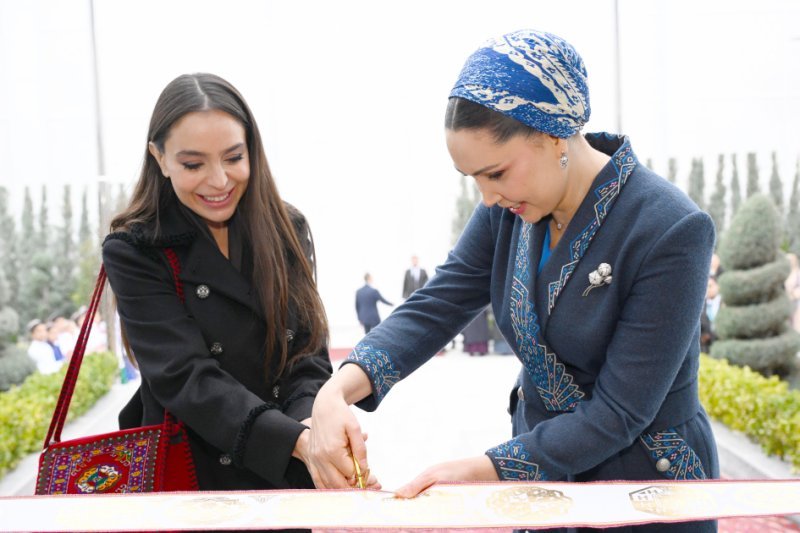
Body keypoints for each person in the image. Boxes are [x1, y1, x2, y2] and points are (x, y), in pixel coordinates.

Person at [309, 29, 717, 532]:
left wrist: (482, 470)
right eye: (474, 179)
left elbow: (619, 412)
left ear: (552, 136)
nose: (486, 197)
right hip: (543, 482)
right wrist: (336, 392)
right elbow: (438, 303)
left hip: (642, 488)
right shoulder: (512, 212)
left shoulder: (669, 228)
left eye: (495, 173)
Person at [102, 73, 339, 501]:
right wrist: (296, 441)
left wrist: (308, 424)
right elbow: (184, 377)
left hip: (291, 474)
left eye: (233, 157)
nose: (219, 181)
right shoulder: (136, 248)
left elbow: (307, 355)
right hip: (193, 477)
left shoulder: (288, 229)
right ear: (159, 157)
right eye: (193, 164)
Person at [786, 253, 800, 331]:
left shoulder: (798, 273)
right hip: (787, 302)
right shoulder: (784, 273)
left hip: (797, 302)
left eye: (791, 260)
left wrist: (793, 294)